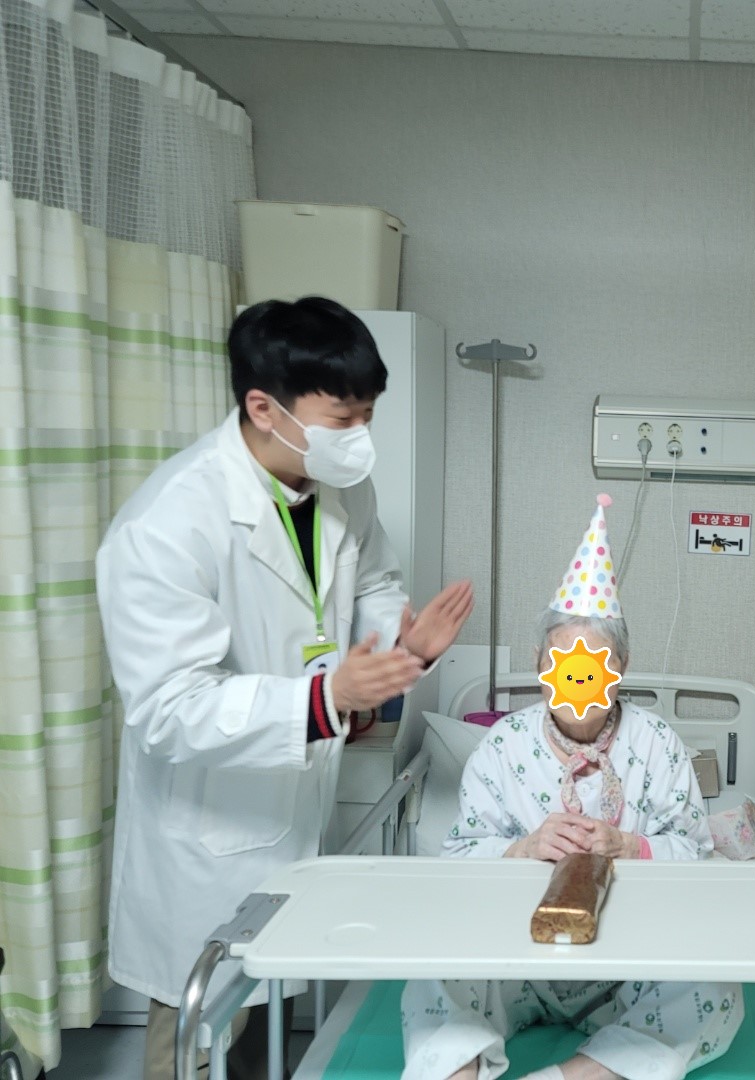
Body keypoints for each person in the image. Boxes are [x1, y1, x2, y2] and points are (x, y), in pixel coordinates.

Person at [97, 296, 475, 1079]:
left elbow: (375, 581)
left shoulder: (340, 487)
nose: (361, 437)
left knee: (263, 1032)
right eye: (343, 419)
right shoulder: (167, 524)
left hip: (296, 807)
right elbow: (168, 709)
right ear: (264, 408)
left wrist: (396, 654)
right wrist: (326, 699)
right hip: (207, 834)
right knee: (196, 1040)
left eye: (368, 416)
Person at [400, 496, 741, 1080]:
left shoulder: (657, 744)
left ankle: (571, 1076)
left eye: (593, 666)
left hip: (630, 961)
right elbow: (458, 860)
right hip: (513, 959)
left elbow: (697, 855)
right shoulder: (502, 747)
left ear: (621, 666)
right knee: (432, 973)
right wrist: (525, 848)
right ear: (540, 663)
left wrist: (630, 846)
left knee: (716, 988)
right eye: (563, 664)